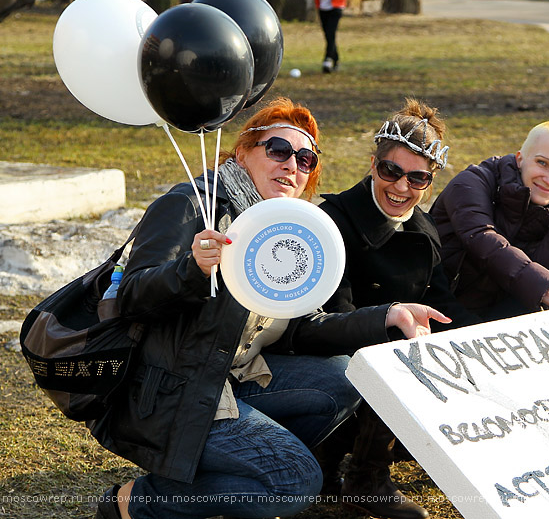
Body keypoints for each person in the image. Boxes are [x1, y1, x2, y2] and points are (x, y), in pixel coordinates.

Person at [89, 97, 450, 519]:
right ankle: (134, 504)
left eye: (305, 159)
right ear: (243, 152)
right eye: (277, 150)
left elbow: (301, 329)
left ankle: (240, 476)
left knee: (345, 379)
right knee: (297, 480)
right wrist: (192, 269)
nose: (291, 165)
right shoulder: (192, 206)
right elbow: (127, 297)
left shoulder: (288, 229)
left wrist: (386, 315)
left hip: (236, 377)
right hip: (171, 392)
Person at [316, 98, 479, 519]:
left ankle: (354, 472)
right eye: (391, 171)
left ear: (430, 182)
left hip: (390, 357)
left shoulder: (424, 232)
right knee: (392, 353)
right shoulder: (333, 220)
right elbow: (332, 314)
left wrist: (476, 345)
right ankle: (361, 476)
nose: (402, 187)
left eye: (418, 178)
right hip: (329, 350)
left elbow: (442, 304)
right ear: (373, 164)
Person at [430, 120, 549, 323]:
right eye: (542, 163)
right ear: (520, 159)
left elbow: (533, 286)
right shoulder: (472, 182)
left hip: (485, 323)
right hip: (432, 307)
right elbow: (485, 241)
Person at [306, 0, 352, 73]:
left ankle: (327, 59)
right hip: (322, 6)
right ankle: (336, 59)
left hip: (337, 6)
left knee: (331, 32)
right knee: (328, 34)